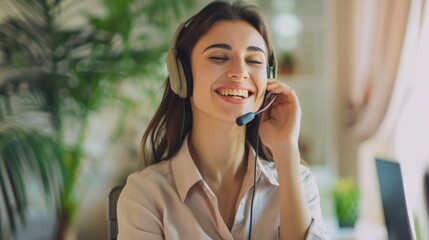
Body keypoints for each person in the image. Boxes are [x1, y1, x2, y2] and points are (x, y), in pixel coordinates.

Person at [117, 1, 329, 239]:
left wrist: (286, 149)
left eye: (254, 60)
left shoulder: (298, 182)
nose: (240, 72)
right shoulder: (146, 194)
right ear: (182, 74)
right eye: (219, 57)